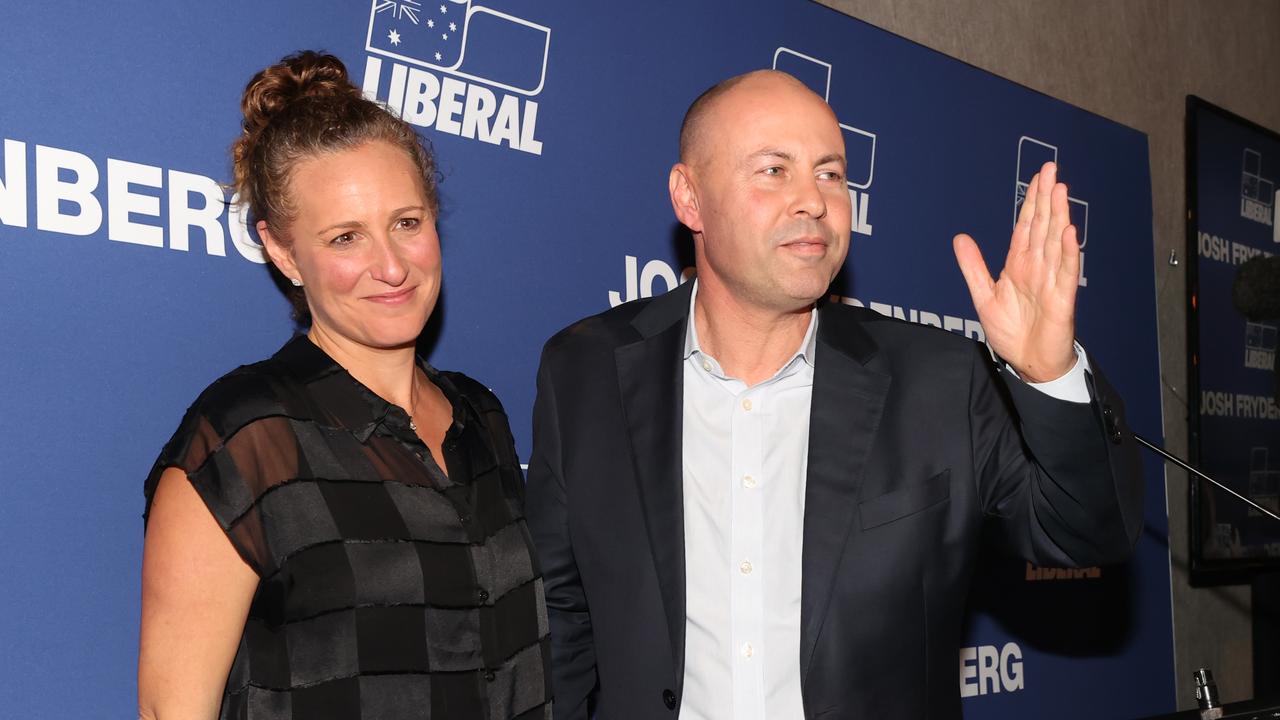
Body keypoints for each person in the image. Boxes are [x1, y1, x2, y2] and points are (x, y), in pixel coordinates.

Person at [524, 70, 1144, 719]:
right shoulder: (585, 372)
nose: (813, 201)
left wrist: (1048, 373)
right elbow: (560, 620)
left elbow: (1086, 535)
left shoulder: (938, 381)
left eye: (830, 174)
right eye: (774, 170)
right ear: (690, 198)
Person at [138, 51, 551, 720]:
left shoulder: (480, 416)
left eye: (406, 223)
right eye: (345, 238)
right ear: (281, 252)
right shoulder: (241, 441)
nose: (391, 266)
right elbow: (171, 712)